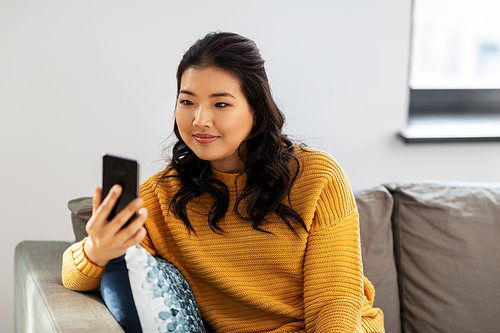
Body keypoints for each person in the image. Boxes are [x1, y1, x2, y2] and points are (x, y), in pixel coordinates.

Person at [62, 31, 384, 332]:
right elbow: (71, 275)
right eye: (187, 101)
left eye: (220, 104)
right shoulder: (164, 195)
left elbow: (334, 305)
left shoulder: (318, 177)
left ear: (256, 109)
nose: (200, 119)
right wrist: (96, 249)